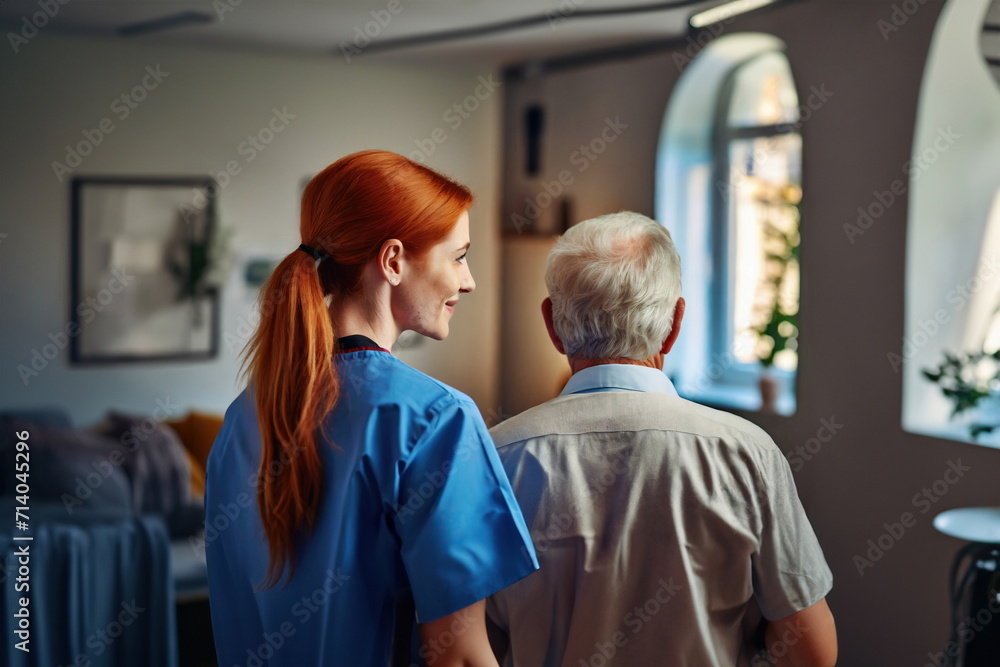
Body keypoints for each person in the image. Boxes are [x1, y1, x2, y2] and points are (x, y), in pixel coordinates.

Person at [205, 150, 539, 667]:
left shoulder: (242, 418)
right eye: (458, 256)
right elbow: (461, 657)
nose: (467, 280)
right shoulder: (436, 420)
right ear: (393, 261)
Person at [486, 211, 836, 667]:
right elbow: (813, 653)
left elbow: (468, 646)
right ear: (674, 324)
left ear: (552, 324)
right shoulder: (747, 452)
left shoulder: (494, 457)